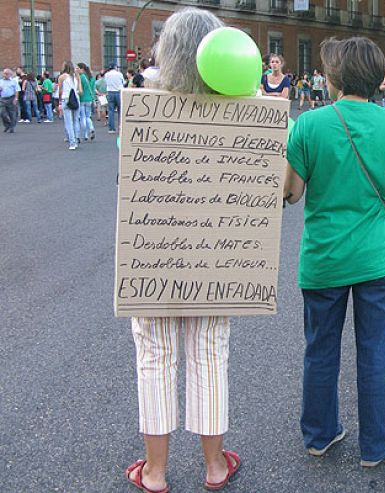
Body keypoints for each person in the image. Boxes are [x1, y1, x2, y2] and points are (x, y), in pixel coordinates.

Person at [284, 36, 385, 468]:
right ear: (377, 78)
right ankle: (376, 445)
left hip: (324, 257)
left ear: (333, 77)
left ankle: (319, 435)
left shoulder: (309, 125)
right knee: (374, 351)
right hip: (380, 259)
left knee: (320, 349)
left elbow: (291, 193)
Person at [122, 9, 242, 493]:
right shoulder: (244, 114)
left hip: (154, 251)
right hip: (217, 254)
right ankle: (215, 467)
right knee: (210, 353)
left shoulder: (142, 108)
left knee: (155, 355)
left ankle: (154, 471)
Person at [58, 61, 82, 150]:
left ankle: (72, 142)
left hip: (66, 99)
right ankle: (76, 138)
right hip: (76, 99)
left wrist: (59, 101)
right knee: (76, 120)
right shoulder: (75, 77)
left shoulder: (62, 77)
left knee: (69, 122)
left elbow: (60, 91)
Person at [77, 63, 96, 142]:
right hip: (90, 99)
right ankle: (91, 128)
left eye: (78, 68)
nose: (76, 70)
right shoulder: (92, 78)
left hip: (82, 99)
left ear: (82, 69)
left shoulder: (80, 77)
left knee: (82, 117)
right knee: (88, 116)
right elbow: (93, 89)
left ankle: (84, 134)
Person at [104, 63, 125, 133]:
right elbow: (123, 82)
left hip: (110, 92)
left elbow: (106, 83)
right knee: (120, 110)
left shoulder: (106, 75)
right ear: (115, 67)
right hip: (119, 92)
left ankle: (111, 128)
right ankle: (121, 126)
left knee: (110, 111)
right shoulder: (119, 74)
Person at [1, 68, 20, 133]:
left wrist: (16, 98)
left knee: (12, 113)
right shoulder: (1, 81)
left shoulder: (13, 81)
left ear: (10, 74)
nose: (5, 75)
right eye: (4, 73)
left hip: (11, 98)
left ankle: (12, 127)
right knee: (2, 112)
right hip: (3, 98)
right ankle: (7, 125)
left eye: (6, 74)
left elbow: (17, 90)